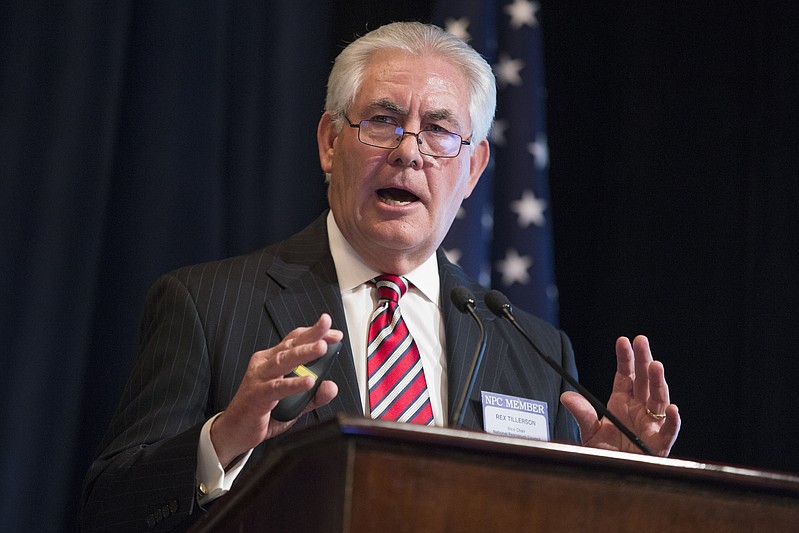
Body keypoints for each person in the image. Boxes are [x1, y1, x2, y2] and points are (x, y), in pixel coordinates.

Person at [80, 21, 680, 532]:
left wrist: (609, 490)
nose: (409, 151)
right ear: (329, 141)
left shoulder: (535, 350)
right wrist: (223, 440)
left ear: (472, 169)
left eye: (440, 130)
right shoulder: (207, 304)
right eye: (384, 121)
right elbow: (108, 509)